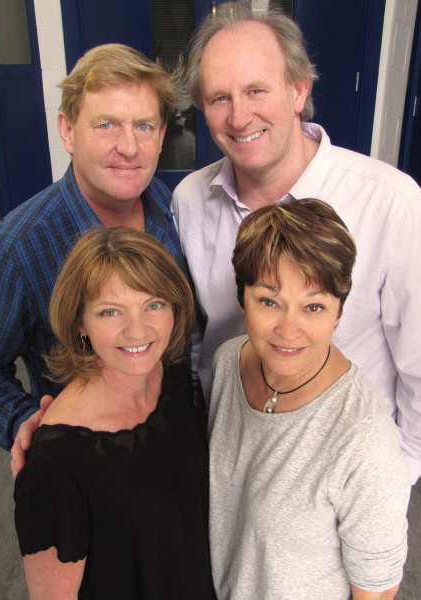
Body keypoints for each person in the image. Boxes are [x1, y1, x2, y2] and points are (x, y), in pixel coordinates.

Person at [172, 1, 421, 483]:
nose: (239, 116)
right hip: (231, 458)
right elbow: (200, 338)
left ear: (298, 90)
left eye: (256, 90)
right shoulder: (190, 199)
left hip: (339, 471)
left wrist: (395, 479)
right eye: (219, 97)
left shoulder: (392, 204)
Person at [0, 43, 189, 456]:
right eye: (106, 125)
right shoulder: (15, 252)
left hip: (175, 436)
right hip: (93, 462)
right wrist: (24, 423)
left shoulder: (161, 201)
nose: (129, 147)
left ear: (162, 134)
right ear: (68, 131)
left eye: (144, 126)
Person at [208, 198, 411, 600]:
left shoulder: (366, 441)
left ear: (338, 312)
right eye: (269, 301)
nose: (289, 329)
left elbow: (377, 592)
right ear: (242, 299)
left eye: (314, 306)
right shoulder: (229, 362)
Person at [14, 226, 216, 600]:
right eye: (110, 312)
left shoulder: (169, 375)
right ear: (80, 323)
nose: (137, 331)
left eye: (153, 304)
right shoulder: (57, 462)